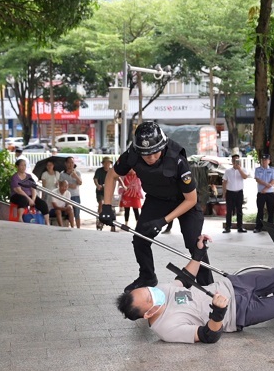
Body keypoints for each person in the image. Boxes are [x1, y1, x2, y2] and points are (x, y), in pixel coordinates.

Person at [115, 235, 274, 344]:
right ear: (148, 313)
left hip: (233, 285)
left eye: (147, 289)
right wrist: (218, 313)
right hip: (236, 312)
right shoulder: (167, 329)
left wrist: (198, 253)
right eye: (149, 297)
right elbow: (208, 336)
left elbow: (185, 279)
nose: (153, 292)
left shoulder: (161, 292)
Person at [99, 122, 212, 292]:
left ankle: (207, 285)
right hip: (157, 199)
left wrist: (163, 221)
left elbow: (191, 199)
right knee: (140, 238)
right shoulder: (133, 154)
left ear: (162, 145)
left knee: (194, 243)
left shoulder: (177, 159)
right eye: (145, 154)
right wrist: (107, 207)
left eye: (154, 153)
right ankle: (147, 277)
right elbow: (112, 175)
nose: (150, 158)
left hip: (184, 202)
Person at [10, 159, 49, 224]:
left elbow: (33, 188)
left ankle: (47, 222)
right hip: (17, 195)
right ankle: (20, 218)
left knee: (42, 203)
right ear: (17, 166)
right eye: (21, 165)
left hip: (30, 196)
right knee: (23, 200)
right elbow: (19, 190)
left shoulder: (29, 176)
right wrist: (29, 199)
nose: (23, 167)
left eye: (25, 165)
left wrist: (33, 199)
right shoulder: (15, 177)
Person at [222, 154, 248, 233]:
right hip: (230, 192)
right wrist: (224, 193)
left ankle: (240, 227)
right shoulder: (228, 171)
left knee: (239, 210)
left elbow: (245, 177)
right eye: (234, 160)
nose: (235, 162)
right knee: (229, 210)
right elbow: (224, 182)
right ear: (232, 161)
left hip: (239, 192)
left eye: (237, 160)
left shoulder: (243, 169)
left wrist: (239, 169)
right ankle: (228, 227)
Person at [253, 153, 274, 233]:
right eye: (263, 160)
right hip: (261, 193)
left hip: (270, 193)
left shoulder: (272, 169)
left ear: (269, 161)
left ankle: (270, 228)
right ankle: (258, 227)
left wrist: (266, 189)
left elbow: (273, 180)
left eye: (266, 160)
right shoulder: (258, 169)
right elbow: (257, 179)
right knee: (260, 210)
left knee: (271, 211)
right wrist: (266, 184)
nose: (264, 161)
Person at [59, 157, 82, 228]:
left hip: (75, 195)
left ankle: (78, 228)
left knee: (77, 213)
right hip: (66, 196)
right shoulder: (62, 174)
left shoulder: (77, 172)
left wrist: (76, 176)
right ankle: (71, 227)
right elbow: (60, 184)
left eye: (72, 162)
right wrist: (69, 185)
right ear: (66, 163)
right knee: (68, 213)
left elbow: (80, 183)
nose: (71, 164)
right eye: (69, 162)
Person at [94, 157, 115, 231]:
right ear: (103, 163)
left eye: (108, 162)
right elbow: (95, 179)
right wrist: (98, 185)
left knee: (112, 207)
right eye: (105, 162)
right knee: (101, 203)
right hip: (101, 191)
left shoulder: (111, 171)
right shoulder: (99, 170)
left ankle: (113, 224)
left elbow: (117, 178)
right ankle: (99, 220)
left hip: (109, 191)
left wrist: (123, 185)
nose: (107, 164)